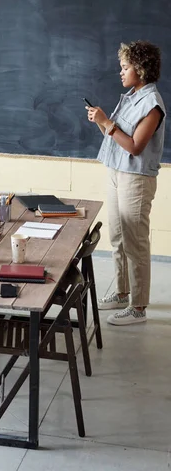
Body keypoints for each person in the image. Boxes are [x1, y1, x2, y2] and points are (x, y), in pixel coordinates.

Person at [86, 41, 166, 326]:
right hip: (117, 173)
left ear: (141, 69)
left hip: (136, 179)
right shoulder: (132, 96)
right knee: (118, 238)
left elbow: (134, 147)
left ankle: (138, 308)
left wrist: (107, 122)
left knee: (135, 242)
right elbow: (115, 137)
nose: (120, 72)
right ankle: (121, 293)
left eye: (125, 67)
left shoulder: (152, 105)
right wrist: (101, 121)